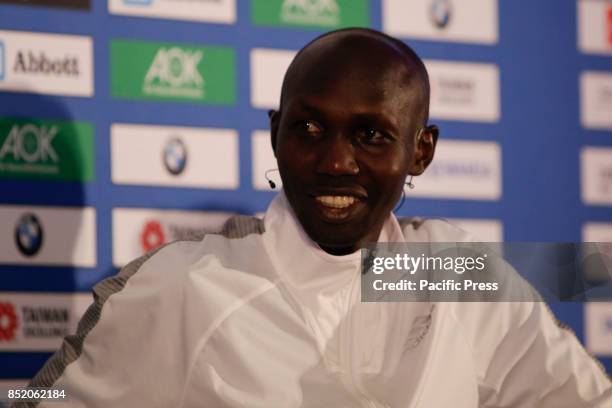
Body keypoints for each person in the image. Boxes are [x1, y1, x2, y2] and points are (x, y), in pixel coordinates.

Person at [23, 28, 611, 407]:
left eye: (371, 135)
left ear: (420, 151)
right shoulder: (185, 284)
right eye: (308, 127)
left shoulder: (454, 274)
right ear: (274, 133)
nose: (335, 161)